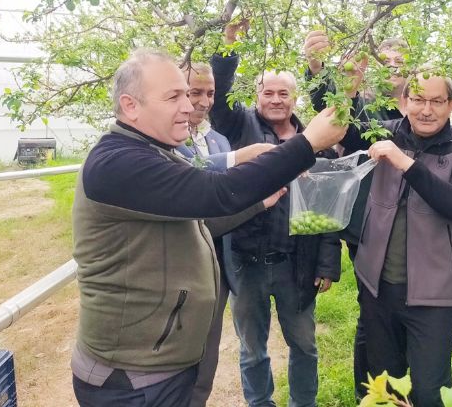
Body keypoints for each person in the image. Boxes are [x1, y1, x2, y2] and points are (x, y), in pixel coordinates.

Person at [71, 48, 345, 407]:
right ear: (130, 105)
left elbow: (200, 219)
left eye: (187, 94)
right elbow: (216, 193)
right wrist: (306, 145)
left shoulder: (158, 151)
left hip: (168, 362)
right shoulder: (118, 163)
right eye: (175, 96)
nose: (189, 106)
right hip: (134, 377)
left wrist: (261, 201)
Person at [211, 22, 342, 407]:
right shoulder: (240, 127)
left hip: (295, 264)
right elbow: (218, 100)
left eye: (284, 93)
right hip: (246, 262)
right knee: (252, 349)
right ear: (256, 96)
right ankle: (260, 403)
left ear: (295, 98)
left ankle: (304, 403)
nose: (275, 99)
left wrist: (327, 263)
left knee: (304, 345)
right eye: (268, 92)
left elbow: (325, 207)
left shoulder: (314, 138)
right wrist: (228, 44)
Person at [339, 71, 452, 407]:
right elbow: (340, 127)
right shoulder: (383, 134)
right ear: (404, 102)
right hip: (379, 288)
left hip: (433, 296)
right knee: (385, 385)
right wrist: (341, 86)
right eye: (418, 99)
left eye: (436, 101)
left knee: (430, 389)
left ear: (451, 105)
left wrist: (404, 162)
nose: (426, 109)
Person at [303, 31, 409, 400]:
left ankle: (401, 383)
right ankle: (373, 390)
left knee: (406, 309)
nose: (393, 67)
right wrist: (318, 69)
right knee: (374, 311)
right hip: (371, 229)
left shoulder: (424, 108)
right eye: (386, 62)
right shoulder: (368, 111)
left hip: (417, 231)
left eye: (400, 62)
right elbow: (336, 116)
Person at [175, 62, 272, 407]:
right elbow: (198, 189)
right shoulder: (168, 142)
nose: (202, 101)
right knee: (179, 363)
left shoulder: (217, 138)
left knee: (206, 360)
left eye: (210, 93)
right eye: (194, 91)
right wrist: (244, 162)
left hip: (217, 269)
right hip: (182, 276)